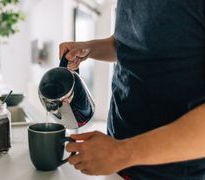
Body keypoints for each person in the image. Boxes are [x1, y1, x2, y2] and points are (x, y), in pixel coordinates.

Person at [60, 1, 205, 179]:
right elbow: (125, 44)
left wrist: (121, 153)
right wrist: (89, 48)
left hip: (172, 172)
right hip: (118, 159)